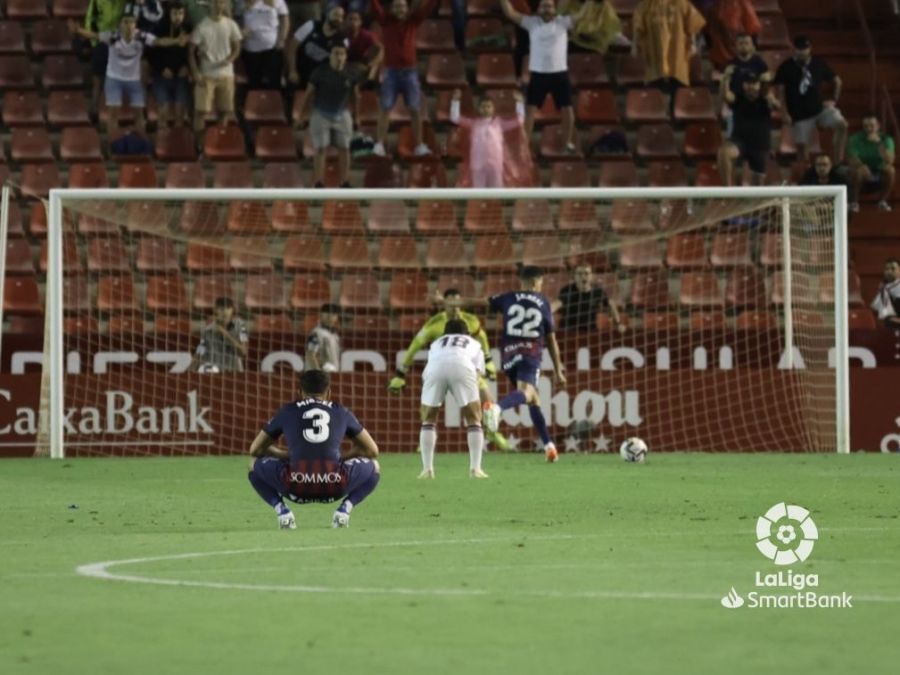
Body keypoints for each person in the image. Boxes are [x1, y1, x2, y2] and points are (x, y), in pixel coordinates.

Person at [248, 370, 380, 529]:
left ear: (300, 392)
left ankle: (282, 512)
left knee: (252, 464)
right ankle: (344, 511)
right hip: (334, 486)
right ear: (329, 392)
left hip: (295, 487)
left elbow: (255, 449)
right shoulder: (341, 411)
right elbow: (372, 450)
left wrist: (284, 455)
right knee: (375, 466)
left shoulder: (287, 410)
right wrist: (342, 458)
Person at [461, 266, 566, 462]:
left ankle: (549, 446)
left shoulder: (508, 297)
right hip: (530, 353)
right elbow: (551, 339)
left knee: (533, 400)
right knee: (529, 393)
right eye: (541, 283)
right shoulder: (543, 301)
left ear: (522, 281)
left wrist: (452, 302)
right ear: (536, 282)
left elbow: (479, 303)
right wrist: (558, 369)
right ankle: (497, 408)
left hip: (508, 356)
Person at [388, 289, 511, 452]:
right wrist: (401, 373)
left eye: (458, 303)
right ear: (444, 305)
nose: (455, 307)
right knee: (428, 406)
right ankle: (424, 440)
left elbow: (482, 337)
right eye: (451, 303)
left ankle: (494, 434)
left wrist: (488, 360)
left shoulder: (471, 321)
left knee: (488, 402)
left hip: (466, 369)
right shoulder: (434, 323)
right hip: (440, 368)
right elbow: (415, 346)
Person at [499, 0, 589, 153]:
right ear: (538, 9)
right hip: (538, 74)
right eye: (543, 6)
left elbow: (583, 14)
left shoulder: (563, 22)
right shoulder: (531, 23)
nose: (547, 9)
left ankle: (566, 144)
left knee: (567, 110)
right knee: (530, 111)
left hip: (560, 74)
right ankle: (524, 146)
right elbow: (510, 13)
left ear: (555, 9)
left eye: (549, 6)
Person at [417, 319, 490, 479]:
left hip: (434, 369)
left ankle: (427, 469)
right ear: (467, 333)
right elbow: (478, 374)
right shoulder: (474, 343)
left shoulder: (436, 343)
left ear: (445, 333)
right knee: (474, 419)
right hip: (463, 366)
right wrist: (473, 399)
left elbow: (430, 367)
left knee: (428, 419)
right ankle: (475, 469)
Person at [370, 0, 439, 158]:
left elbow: (428, 7)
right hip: (390, 73)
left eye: (402, 6)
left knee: (415, 110)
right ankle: (379, 144)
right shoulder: (385, 21)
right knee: (385, 109)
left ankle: (419, 145)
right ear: (392, 9)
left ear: (407, 9)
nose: (400, 9)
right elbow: (375, 6)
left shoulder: (414, 21)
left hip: (410, 73)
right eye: (396, 6)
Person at [71, 15, 157, 139]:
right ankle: (112, 144)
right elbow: (94, 35)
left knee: (139, 115)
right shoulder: (112, 36)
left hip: (134, 80)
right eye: (125, 22)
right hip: (114, 79)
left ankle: (142, 144)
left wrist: (177, 40)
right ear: (120, 25)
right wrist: (78, 31)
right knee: (113, 115)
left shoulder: (142, 37)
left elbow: (160, 41)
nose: (128, 25)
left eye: (131, 23)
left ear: (135, 25)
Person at [297, 41, 363, 188]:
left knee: (345, 148)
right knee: (320, 148)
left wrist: (356, 116)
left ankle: (345, 182)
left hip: (342, 113)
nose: (339, 57)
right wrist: (302, 115)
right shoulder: (319, 72)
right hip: (321, 114)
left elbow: (355, 96)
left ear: (346, 56)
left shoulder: (352, 73)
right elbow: (308, 94)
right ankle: (318, 182)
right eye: (336, 53)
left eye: (342, 54)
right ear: (330, 56)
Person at [775, 35, 847, 164]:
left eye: (805, 48)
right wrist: (784, 112)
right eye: (799, 49)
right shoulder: (785, 67)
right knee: (802, 149)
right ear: (794, 49)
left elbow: (837, 81)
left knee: (842, 125)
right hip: (799, 115)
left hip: (819, 109)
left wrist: (833, 99)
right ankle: (807, 174)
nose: (802, 52)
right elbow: (780, 92)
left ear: (810, 49)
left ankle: (837, 163)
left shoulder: (818, 63)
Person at [449, 88, 534, 188]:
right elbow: (455, 118)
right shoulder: (473, 124)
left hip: (495, 163)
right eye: (483, 107)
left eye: (489, 106)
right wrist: (455, 101)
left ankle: (495, 204)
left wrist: (519, 102)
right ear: (479, 108)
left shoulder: (499, 124)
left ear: (493, 108)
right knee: (478, 193)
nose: (486, 109)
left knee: (496, 193)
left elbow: (519, 121)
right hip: (477, 164)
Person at [632, 0, 706, 109]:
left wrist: (693, 43)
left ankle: (677, 115)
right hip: (655, 52)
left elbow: (692, 24)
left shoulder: (681, 3)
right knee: (654, 85)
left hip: (677, 52)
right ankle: (655, 115)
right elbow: (637, 25)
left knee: (678, 87)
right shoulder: (646, 4)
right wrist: (634, 45)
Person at [188, 0, 242, 140]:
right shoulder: (202, 26)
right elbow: (191, 51)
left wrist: (229, 59)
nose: (218, 6)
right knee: (201, 112)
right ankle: (200, 145)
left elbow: (236, 47)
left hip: (226, 75)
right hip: (206, 75)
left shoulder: (231, 24)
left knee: (225, 111)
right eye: (215, 3)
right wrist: (195, 72)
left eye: (221, 3)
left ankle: (220, 141)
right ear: (210, 5)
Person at [717, 71, 778, 186]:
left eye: (754, 83)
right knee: (724, 152)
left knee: (758, 186)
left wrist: (772, 100)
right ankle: (728, 192)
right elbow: (726, 96)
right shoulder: (738, 98)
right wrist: (725, 80)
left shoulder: (765, 99)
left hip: (760, 146)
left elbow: (777, 106)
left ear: (759, 85)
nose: (751, 86)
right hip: (740, 142)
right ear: (744, 85)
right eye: (748, 83)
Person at [148, 1, 192, 128]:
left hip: (181, 76)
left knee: (180, 115)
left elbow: (193, 53)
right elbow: (150, 54)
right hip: (162, 75)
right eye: (175, 13)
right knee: (162, 114)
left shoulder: (189, 29)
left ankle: (177, 144)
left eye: (181, 13)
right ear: (169, 14)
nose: (178, 16)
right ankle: (162, 143)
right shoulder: (159, 28)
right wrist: (162, 68)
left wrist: (187, 67)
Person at [719, 32, 768, 136]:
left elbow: (766, 87)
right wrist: (725, 78)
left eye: (747, 43)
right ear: (736, 46)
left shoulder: (760, 63)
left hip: (755, 105)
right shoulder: (730, 65)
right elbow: (725, 92)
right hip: (735, 105)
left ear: (752, 46)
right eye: (741, 43)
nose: (744, 46)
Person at [83, 0, 127, 115]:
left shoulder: (124, 2)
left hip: (118, 42)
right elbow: (90, 20)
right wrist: (94, 42)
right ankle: (94, 110)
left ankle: (116, 111)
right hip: (101, 41)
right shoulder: (97, 1)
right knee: (98, 80)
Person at [288, 4, 346, 89]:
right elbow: (292, 47)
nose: (338, 19)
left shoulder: (342, 39)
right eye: (336, 15)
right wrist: (292, 70)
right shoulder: (311, 25)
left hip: (322, 80)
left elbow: (339, 65)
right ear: (327, 14)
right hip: (300, 73)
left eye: (341, 16)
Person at [847, 113, 895, 213]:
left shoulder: (886, 139)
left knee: (890, 170)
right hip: (862, 170)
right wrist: (862, 166)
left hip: (878, 171)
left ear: (878, 126)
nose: (869, 129)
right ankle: (854, 203)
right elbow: (852, 158)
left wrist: (878, 144)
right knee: (858, 171)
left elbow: (889, 161)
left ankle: (882, 201)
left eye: (872, 125)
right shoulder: (855, 139)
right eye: (866, 126)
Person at [555, 264, 624, 332]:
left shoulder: (598, 291)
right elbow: (557, 304)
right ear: (574, 276)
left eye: (586, 273)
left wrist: (618, 323)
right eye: (579, 274)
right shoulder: (567, 290)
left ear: (591, 276)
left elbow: (610, 304)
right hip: (568, 331)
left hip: (590, 330)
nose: (583, 276)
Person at [239, 0, 290, 90]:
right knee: (254, 83)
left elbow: (285, 21)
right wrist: (241, 32)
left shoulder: (277, 1)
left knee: (274, 82)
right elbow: (237, 21)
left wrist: (281, 40)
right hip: (250, 49)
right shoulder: (241, 2)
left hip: (272, 48)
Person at [192, 296, 249, 372]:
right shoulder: (207, 331)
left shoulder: (241, 326)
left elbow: (243, 352)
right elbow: (199, 353)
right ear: (215, 310)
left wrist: (225, 335)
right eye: (221, 309)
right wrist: (191, 371)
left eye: (228, 308)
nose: (225, 311)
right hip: (215, 372)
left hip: (234, 372)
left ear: (232, 310)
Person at [703, 0, 760, 71]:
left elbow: (753, 29)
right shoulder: (741, 3)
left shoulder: (710, 5)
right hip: (728, 60)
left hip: (727, 60)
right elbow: (754, 29)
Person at [559, 0, 627, 54]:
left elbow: (613, 29)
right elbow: (560, 23)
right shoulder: (568, 4)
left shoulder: (602, 5)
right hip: (572, 45)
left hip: (594, 48)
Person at [305, 303, 342, 372]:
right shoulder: (316, 334)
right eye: (327, 314)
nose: (330, 317)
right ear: (320, 315)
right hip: (317, 377)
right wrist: (318, 373)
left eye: (333, 314)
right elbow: (310, 354)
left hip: (331, 374)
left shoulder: (335, 336)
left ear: (336, 317)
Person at [870, 258, 900, 326]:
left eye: (893, 269)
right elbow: (877, 311)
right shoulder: (883, 289)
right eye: (887, 269)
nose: (889, 271)